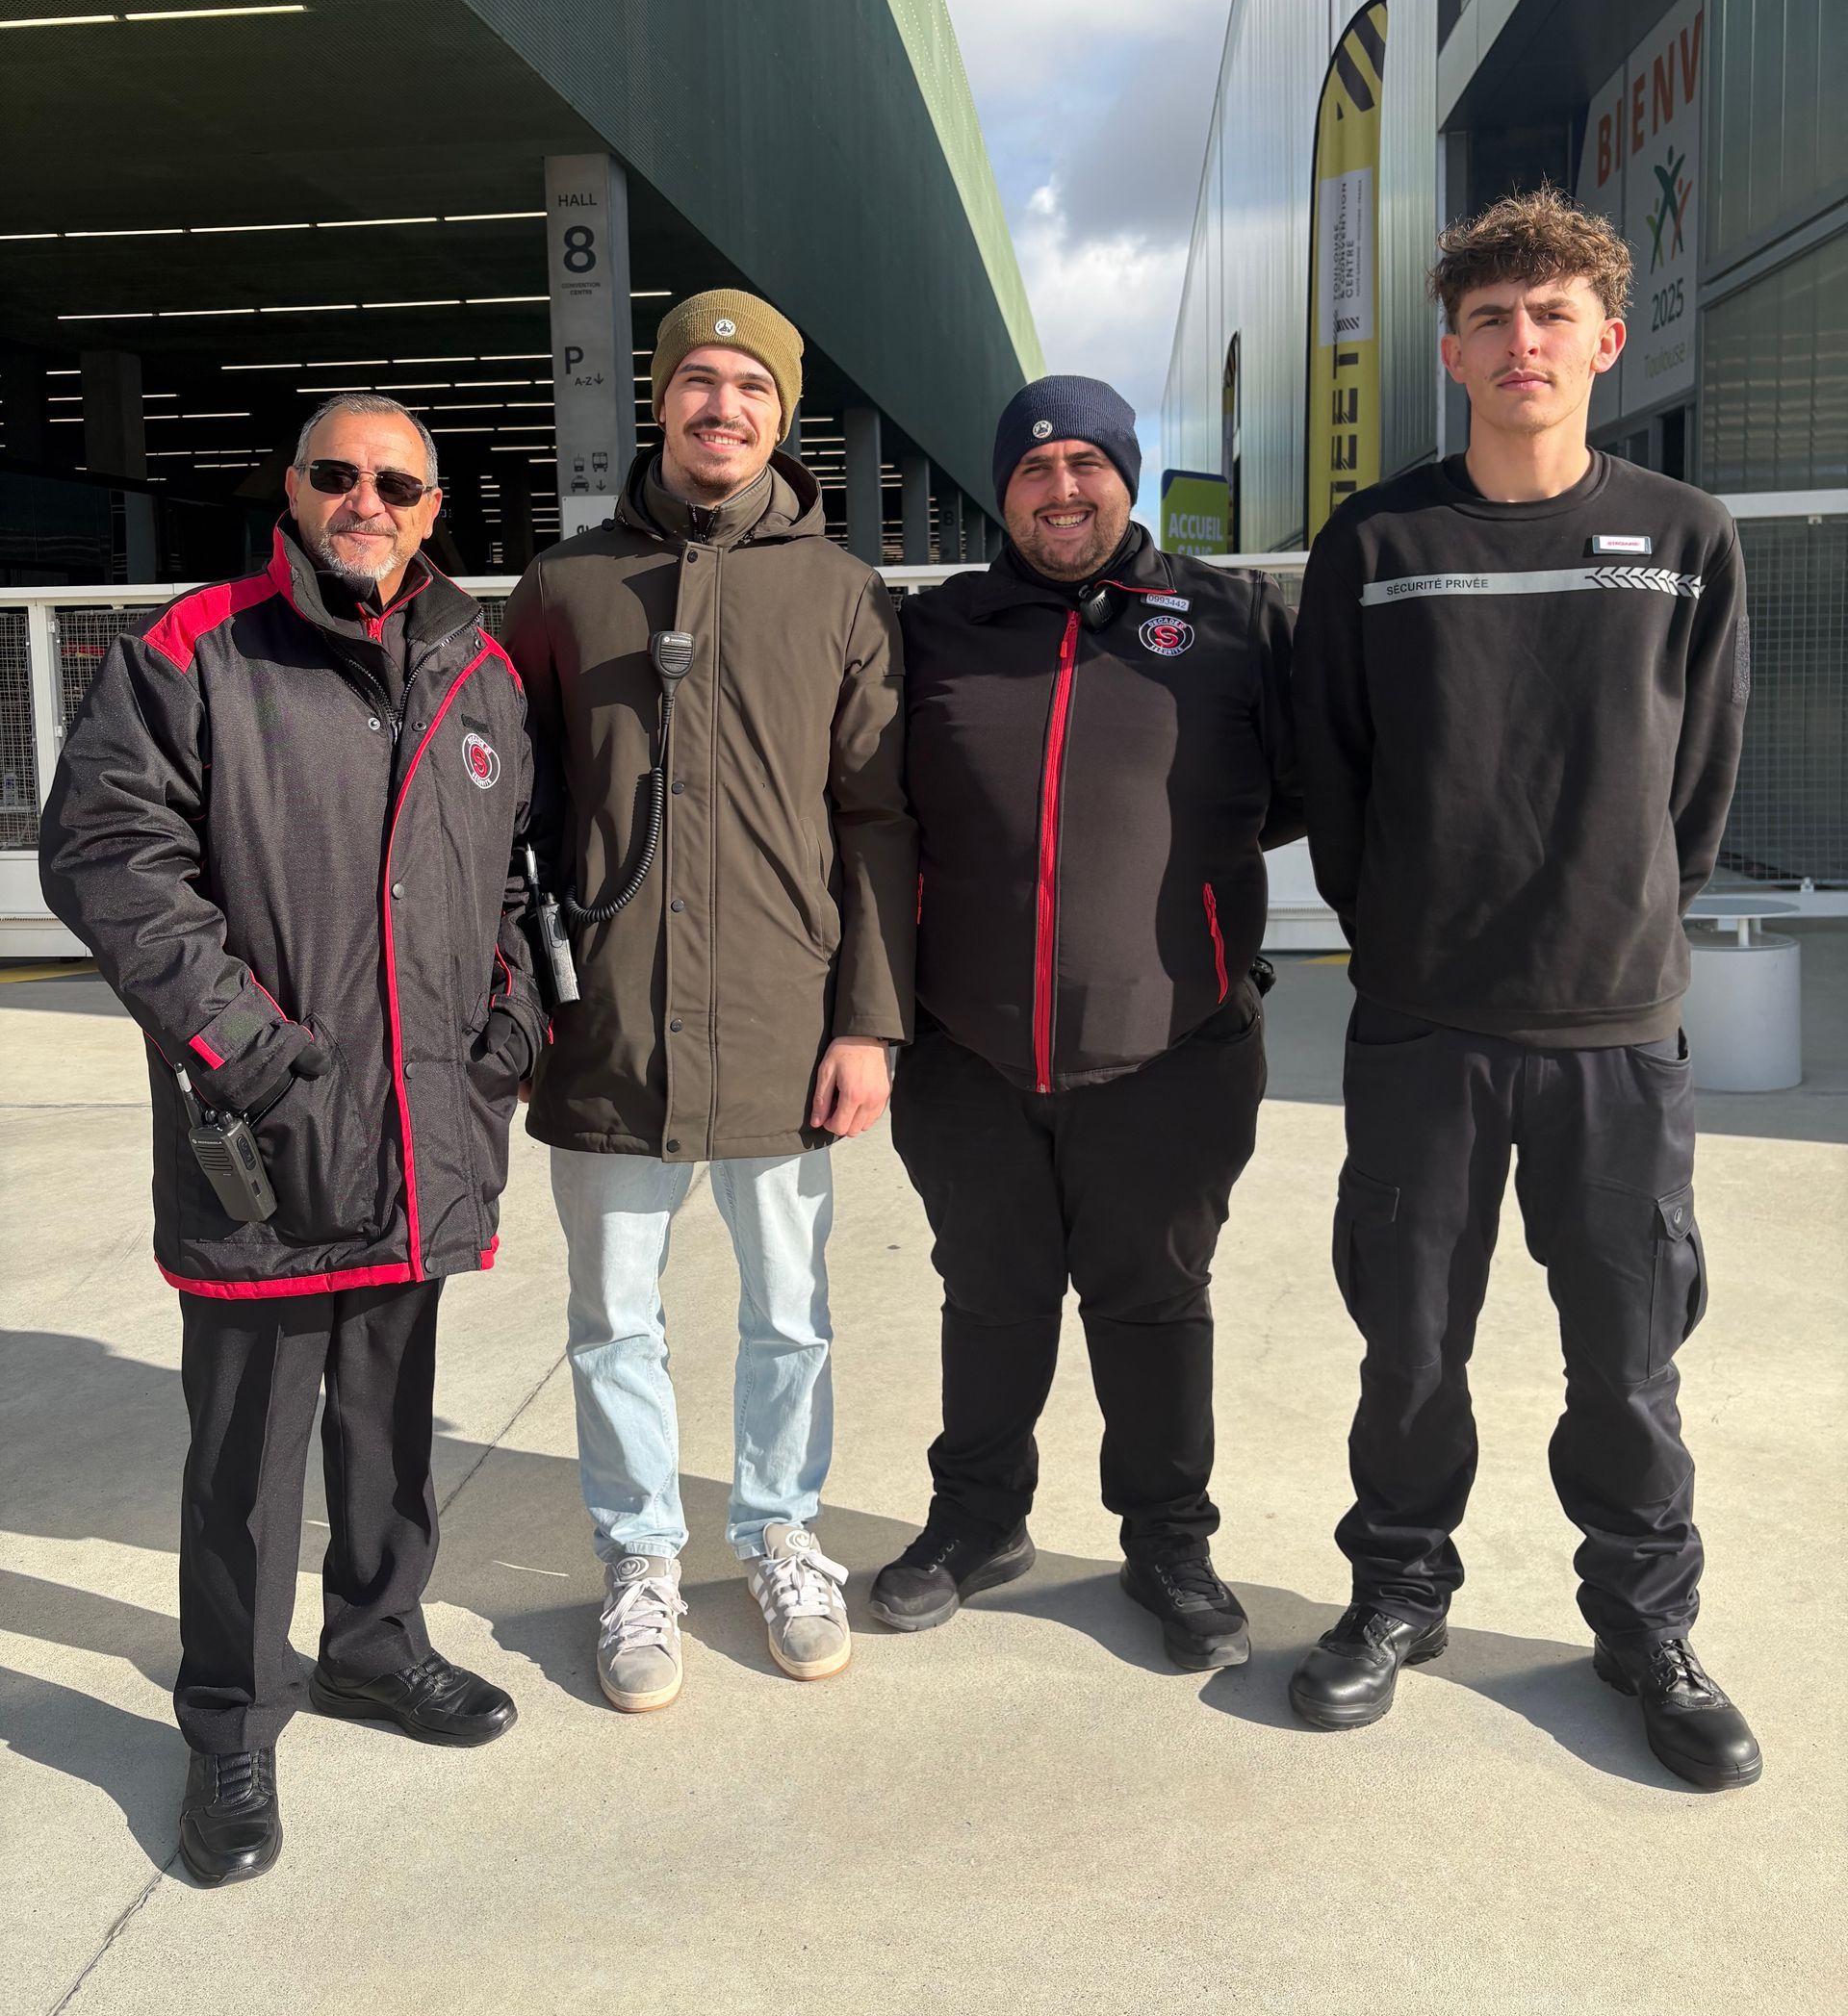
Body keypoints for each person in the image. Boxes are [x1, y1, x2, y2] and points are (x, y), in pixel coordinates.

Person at [38, 393, 546, 1886]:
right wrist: (253, 1057)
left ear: (433, 511)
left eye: (396, 482)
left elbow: (511, 883)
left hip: (425, 1135)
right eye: (338, 474)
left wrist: (510, 1032)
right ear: (294, 489)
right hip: (263, 1141)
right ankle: (233, 1719)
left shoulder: (481, 675)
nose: (365, 499)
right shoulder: (194, 652)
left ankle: (376, 1646)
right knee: (250, 1457)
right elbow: (108, 857)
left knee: (389, 1429)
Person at [1289, 188, 1761, 1788]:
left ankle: (1646, 1626)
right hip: (1425, 1025)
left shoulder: (1685, 541)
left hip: (1614, 1033)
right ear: (1453, 352)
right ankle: (1397, 1594)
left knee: (1627, 1361)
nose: (1522, 343)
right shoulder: (1378, 545)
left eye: (1552, 316)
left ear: (1607, 341)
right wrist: (1404, 930)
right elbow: (1336, 770)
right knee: (1410, 1347)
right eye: (1491, 319)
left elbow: (1700, 783)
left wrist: (1620, 923)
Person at [504, 289, 914, 1710]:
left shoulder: (841, 593)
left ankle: (782, 1532)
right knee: (613, 1317)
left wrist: (868, 1021)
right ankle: (640, 1555)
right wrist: (520, 999)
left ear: (781, 416)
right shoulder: (565, 587)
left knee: (789, 1313)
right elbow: (505, 813)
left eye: (751, 387)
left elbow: (876, 820)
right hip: (608, 1020)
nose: (721, 407)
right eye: (698, 381)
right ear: (661, 399)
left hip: (782, 1023)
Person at [869, 376, 1301, 1671]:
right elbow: (878, 807)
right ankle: (977, 1519)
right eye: (1034, 469)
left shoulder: (1228, 620)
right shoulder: (937, 629)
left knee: (1154, 1298)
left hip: (1175, 1043)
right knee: (988, 1291)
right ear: (1003, 492)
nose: (1062, 491)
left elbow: (1294, 792)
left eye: (1087, 465)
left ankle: (1168, 1541)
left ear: (1129, 475)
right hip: (967, 1046)